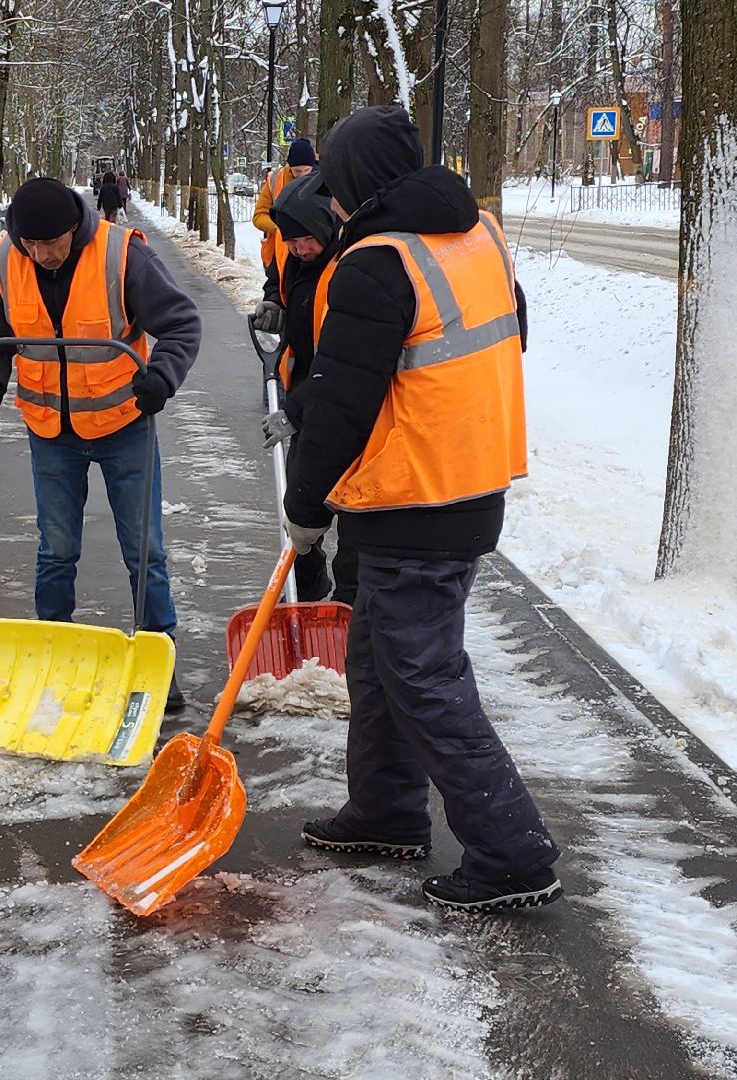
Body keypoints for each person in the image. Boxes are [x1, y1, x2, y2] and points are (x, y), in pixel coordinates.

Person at [283, 105, 561, 913]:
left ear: (359, 184)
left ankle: (514, 854)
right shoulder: (480, 235)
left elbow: (343, 403)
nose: (331, 206)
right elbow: (509, 334)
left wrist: (305, 507)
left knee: (426, 677)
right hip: (462, 481)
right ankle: (385, 809)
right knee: (377, 661)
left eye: (337, 188)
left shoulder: (377, 261)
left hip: (417, 495)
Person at [0, 177, 204, 709]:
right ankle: (54, 652)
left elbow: (183, 324)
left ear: (75, 229)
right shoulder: (7, 259)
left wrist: (161, 377)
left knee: (144, 550)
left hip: (124, 423)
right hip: (50, 430)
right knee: (56, 549)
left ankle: (158, 664)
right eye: (31, 244)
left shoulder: (122, 255)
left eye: (51, 244)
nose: (41, 255)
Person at [251, 173, 353, 605]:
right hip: (307, 399)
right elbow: (282, 288)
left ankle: (349, 606)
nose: (299, 249)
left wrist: (295, 409)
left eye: (307, 239)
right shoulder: (295, 261)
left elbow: (344, 362)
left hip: (347, 407)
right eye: (291, 242)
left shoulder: (352, 268)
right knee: (299, 515)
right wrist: (275, 304)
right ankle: (309, 600)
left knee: (349, 512)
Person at [253, 138, 319, 271]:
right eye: (297, 171)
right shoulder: (276, 180)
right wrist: (280, 228)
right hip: (279, 255)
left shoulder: (324, 179)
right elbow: (259, 216)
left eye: (306, 170)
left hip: (314, 254)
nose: (301, 175)